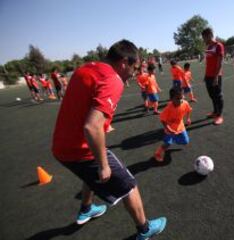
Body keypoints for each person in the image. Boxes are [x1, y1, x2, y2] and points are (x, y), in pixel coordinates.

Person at [52, 39, 166, 240]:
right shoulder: (112, 79)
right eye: (134, 67)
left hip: (61, 147)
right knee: (129, 185)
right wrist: (104, 164)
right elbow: (92, 126)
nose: (134, 73)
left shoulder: (85, 68)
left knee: (91, 175)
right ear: (124, 62)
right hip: (80, 149)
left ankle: (86, 208)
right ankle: (145, 229)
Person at [154, 87, 192, 161]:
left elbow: (188, 110)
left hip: (181, 127)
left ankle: (172, 140)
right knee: (167, 143)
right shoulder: (168, 108)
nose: (181, 100)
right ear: (171, 99)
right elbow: (162, 119)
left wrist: (188, 118)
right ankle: (158, 153)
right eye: (178, 98)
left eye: (182, 97)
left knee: (185, 142)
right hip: (169, 130)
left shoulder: (185, 103)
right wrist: (168, 128)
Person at [201, 27, 225, 125]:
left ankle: (219, 116)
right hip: (208, 76)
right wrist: (205, 75)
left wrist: (216, 77)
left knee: (218, 96)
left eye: (204, 38)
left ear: (210, 35)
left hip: (216, 76)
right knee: (212, 95)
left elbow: (220, 63)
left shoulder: (218, 46)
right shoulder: (209, 48)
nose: (203, 40)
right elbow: (208, 63)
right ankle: (215, 112)